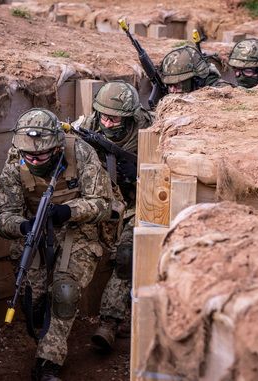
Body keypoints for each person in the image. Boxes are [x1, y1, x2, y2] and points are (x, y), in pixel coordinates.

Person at [0, 108, 112, 381]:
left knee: (64, 291)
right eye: (29, 155)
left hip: (77, 231)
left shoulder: (80, 153)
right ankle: (42, 329)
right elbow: (2, 217)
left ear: (58, 147)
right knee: (34, 300)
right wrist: (23, 226)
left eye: (41, 154)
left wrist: (68, 212)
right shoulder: (15, 163)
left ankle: (48, 363)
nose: (34, 160)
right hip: (34, 234)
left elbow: (103, 203)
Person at [76, 81, 153, 350]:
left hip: (136, 204)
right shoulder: (87, 126)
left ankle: (109, 321)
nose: (107, 124)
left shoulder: (149, 129)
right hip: (100, 202)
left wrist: (141, 175)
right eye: (104, 117)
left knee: (125, 256)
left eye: (115, 119)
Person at [161, 45, 233, 93]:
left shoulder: (219, 89)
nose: (172, 90)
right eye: (170, 85)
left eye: (177, 85)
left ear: (195, 79)